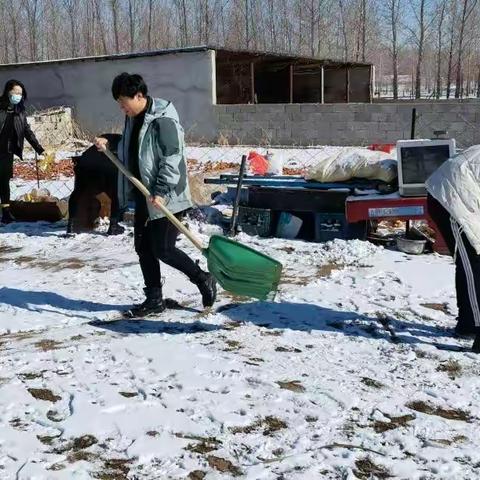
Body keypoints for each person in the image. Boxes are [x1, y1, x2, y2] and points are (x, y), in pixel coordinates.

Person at [95, 73, 216, 316]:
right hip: (143, 194)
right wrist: (109, 143)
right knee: (143, 247)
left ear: (139, 96)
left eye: (123, 101)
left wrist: (161, 191)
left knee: (163, 248)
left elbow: (172, 159)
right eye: (118, 102)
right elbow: (136, 150)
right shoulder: (133, 117)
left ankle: (203, 278)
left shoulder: (163, 120)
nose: (121, 107)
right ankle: (154, 299)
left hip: (168, 195)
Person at [426, 145, 480, 352]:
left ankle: (468, 322)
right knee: (472, 262)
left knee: (470, 262)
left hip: (467, 194)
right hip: (451, 197)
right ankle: (475, 325)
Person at [0, 79, 47, 224]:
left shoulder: (20, 111)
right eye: (15, 92)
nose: (18, 95)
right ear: (8, 92)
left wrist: (39, 149)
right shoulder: (1, 107)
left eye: (20, 93)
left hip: (6, 151)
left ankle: (6, 213)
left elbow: (27, 131)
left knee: (3, 182)